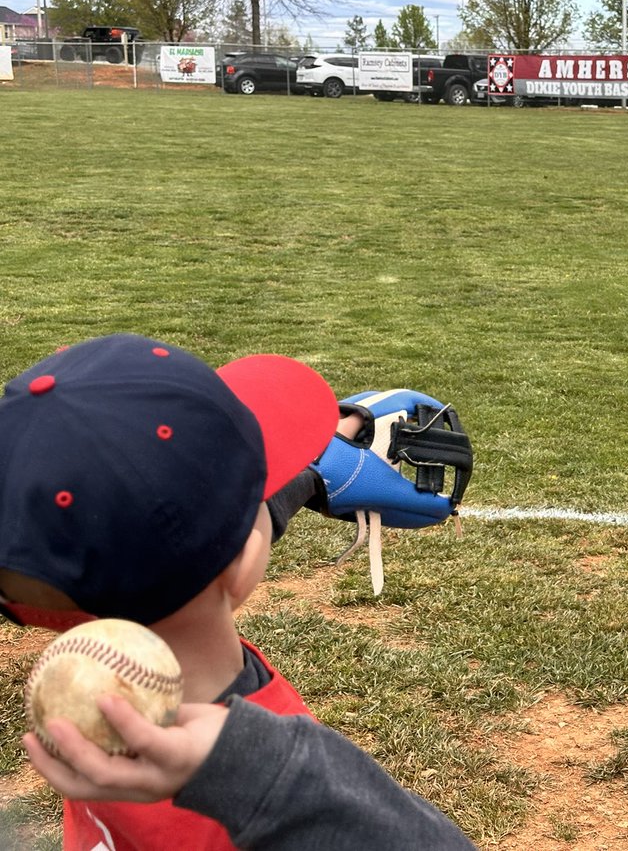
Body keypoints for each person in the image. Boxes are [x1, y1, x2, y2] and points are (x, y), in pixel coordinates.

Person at [0, 333, 476, 850]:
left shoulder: (82, 705)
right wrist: (265, 773)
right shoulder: (277, 794)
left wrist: (311, 477)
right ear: (246, 561)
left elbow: (166, 540)